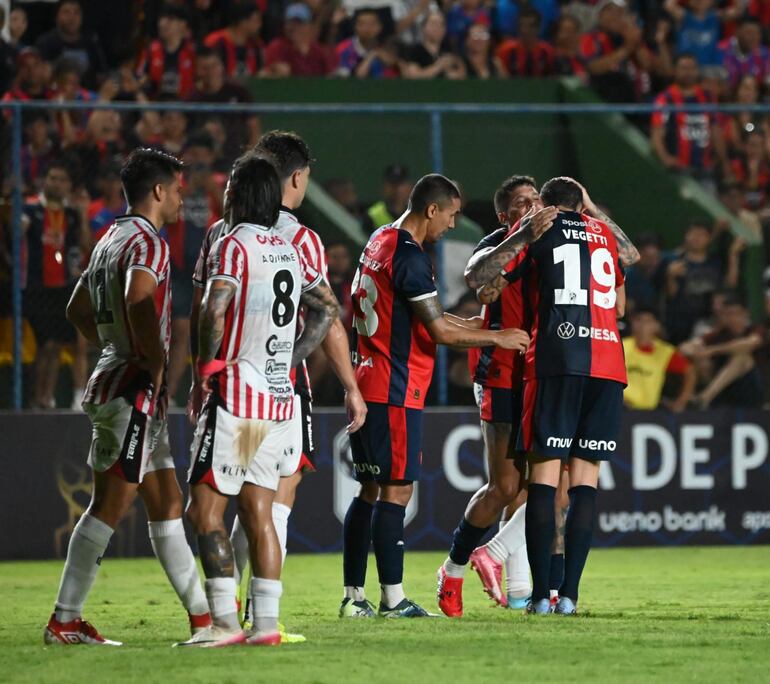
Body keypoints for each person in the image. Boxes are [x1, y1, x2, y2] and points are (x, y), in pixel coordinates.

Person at [340, 173, 530, 618]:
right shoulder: (410, 256)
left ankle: (354, 597)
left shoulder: (380, 240)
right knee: (396, 493)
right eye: (451, 214)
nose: (452, 223)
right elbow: (438, 330)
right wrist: (497, 339)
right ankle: (393, 599)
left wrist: (482, 327)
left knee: (368, 490)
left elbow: (425, 314)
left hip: (369, 379)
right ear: (432, 210)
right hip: (395, 387)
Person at [446, 178, 639, 616]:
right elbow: (626, 280)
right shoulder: (595, 234)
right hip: (595, 364)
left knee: (550, 484)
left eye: (536, 201)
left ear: (547, 204)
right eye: (521, 203)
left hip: (554, 361)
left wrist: (536, 232)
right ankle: (558, 593)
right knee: (522, 486)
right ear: (504, 215)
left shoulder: (542, 233)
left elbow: (481, 283)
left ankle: (534, 591)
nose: (532, 207)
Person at [44, 148, 212, 645]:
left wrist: (115, 346)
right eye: (178, 189)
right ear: (158, 191)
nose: (183, 197)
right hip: (132, 389)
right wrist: (149, 359)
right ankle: (64, 620)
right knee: (109, 507)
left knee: (166, 503)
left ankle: (205, 623)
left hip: (121, 381)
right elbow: (139, 297)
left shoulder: (108, 239)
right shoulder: (149, 243)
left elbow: (78, 308)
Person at [182, 153, 341, 647]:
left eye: (230, 187)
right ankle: (266, 626)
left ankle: (225, 625)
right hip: (278, 399)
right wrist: (291, 357)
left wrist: (206, 368)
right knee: (259, 514)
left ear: (239, 194)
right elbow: (328, 308)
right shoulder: (291, 249)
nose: (225, 193)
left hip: (236, 397)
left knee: (205, 513)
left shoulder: (232, 244)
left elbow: (213, 307)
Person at [226, 131, 367, 636]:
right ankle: (259, 615)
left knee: (247, 495)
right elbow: (327, 315)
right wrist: (350, 385)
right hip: (285, 390)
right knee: (280, 494)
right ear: (298, 176)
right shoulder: (301, 238)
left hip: (233, 383)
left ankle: (227, 610)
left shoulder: (227, 235)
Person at [22, 161, 83, 409]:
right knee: (42, 343)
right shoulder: (30, 209)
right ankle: (36, 395)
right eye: (52, 178)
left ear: (68, 185)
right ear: (44, 181)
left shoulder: (71, 214)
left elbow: (80, 244)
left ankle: (49, 396)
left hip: (63, 286)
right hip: (38, 286)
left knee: (57, 343)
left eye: (62, 179)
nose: (56, 184)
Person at [650, 53, 730, 187]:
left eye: (692, 68)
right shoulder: (665, 99)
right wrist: (665, 158)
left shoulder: (708, 96)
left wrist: (723, 161)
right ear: (675, 71)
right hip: (678, 170)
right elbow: (657, 133)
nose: (688, 73)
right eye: (684, 68)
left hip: (705, 168)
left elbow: (715, 130)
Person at [681, 295, 766, 408]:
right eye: (729, 314)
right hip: (726, 389)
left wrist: (713, 350)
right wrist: (697, 352)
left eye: (737, 313)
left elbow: (750, 343)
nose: (733, 318)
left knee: (742, 357)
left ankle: (704, 398)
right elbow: (686, 347)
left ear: (746, 314)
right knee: (701, 360)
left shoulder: (756, 330)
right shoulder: (719, 334)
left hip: (752, 388)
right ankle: (689, 398)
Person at [186, 47, 261, 166]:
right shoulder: (192, 98)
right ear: (198, 71)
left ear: (222, 67)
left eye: (214, 66)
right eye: (205, 68)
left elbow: (254, 130)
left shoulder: (239, 93)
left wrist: (248, 160)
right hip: (203, 164)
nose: (211, 72)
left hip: (237, 158)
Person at [623, 306, 696, 411]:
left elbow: (690, 372)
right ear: (632, 323)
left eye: (648, 321)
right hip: (622, 408)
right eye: (639, 320)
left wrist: (681, 401)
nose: (642, 326)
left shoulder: (665, 352)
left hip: (649, 411)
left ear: (656, 326)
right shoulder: (620, 346)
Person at [35, 0, 107, 89]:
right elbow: (39, 77)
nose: (72, 17)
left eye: (76, 13)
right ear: (56, 17)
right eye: (66, 12)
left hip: (88, 98)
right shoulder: (46, 42)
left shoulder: (91, 42)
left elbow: (102, 74)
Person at [139, 4, 197, 100]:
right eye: (161, 19)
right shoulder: (150, 50)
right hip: (157, 106)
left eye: (170, 19)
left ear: (182, 25)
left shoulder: (193, 51)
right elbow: (141, 79)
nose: (162, 23)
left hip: (187, 106)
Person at [264, 3, 337, 76]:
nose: (293, 27)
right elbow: (263, 76)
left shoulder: (318, 51)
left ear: (309, 26)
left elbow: (329, 76)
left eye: (299, 23)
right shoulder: (277, 47)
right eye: (290, 22)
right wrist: (273, 72)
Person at [203, 2, 264, 80]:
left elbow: (260, 72)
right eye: (257, 20)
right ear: (243, 22)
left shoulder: (257, 44)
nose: (260, 25)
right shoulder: (215, 42)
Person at [496, 7, 554, 77]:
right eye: (522, 25)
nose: (525, 30)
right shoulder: (505, 50)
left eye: (531, 26)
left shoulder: (547, 51)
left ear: (538, 28)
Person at [366, 164, 413, 231]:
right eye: (392, 184)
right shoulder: (372, 215)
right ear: (385, 187)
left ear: (409, 187)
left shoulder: (417, 215)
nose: (397, 189)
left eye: (401, 184)